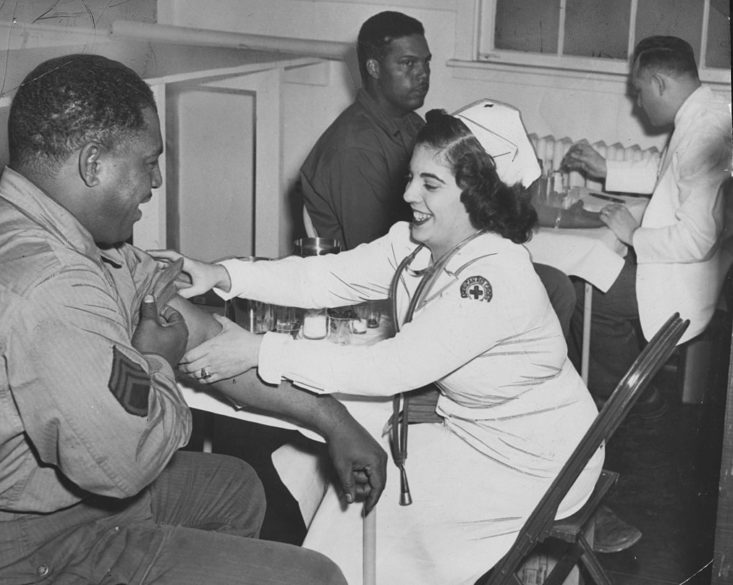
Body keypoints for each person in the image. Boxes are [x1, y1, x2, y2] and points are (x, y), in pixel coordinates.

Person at [153, 109, 604, 585]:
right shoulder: (417, 243)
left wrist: (261, 350)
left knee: (367, 508)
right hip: (475, 433)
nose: (409, 194)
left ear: (479, 194)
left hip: (533, 463)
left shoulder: (493, 279)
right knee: (330, 473)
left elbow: (394, 367)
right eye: (412, 178)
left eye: (430, 184)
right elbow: (327, 277)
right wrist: (224, 274)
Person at [0, 53, 388, 585]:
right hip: (36, 547)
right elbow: (126, 459)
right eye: (148, 161)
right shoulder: (52, 289)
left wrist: (334, 422)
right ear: (92, 165)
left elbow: (207, 339)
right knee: (313, 577)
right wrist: (154, 356)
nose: (155, 181)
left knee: (238, 487)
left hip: (66, 500)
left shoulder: (56, 240)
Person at [560, 36, 732, 407]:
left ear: (659, 84)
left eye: (639, 91)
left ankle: (627, 402)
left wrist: (635, 235)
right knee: (589, 276)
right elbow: (670, 172)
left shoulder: (703, 130)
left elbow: (698, 240)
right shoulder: (706, 112)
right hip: (698, 267)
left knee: (588, 299)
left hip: (689, 278)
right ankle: (603, 385)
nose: (638, 104)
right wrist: (606, 168)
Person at [299, 10, 431, 251]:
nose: (423, 74)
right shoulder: (354, 149)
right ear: (374, 68)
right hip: (371, 279)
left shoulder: (411, 123)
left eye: (426, 62)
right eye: (408, 63)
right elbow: (376, 257)